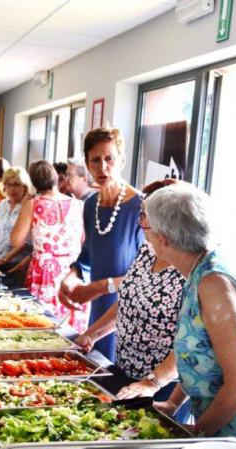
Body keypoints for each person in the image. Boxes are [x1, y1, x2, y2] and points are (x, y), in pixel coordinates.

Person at [142, 181, 236, 438]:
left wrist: (197, 432)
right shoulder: (199, 269)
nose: (146, 235)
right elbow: (197, 353)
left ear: (163, 239)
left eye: (149, 228)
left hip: (234, 436)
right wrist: (173, 403)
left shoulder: (213, 283)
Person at [74, 179, 186, 405]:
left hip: (162, 387)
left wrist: (152, 382)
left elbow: (191, 343)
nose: (140, 222)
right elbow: (128, 301)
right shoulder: (148, 250)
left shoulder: (186, 265)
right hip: (125, 373)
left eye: (145, 216)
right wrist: (91, 335)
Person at [58, 127, 144, 360]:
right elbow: (87, 255)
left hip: (129, 315)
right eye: (95, 160)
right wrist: (72, 276)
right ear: (87, 164)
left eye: (109, 159)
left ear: (122, 160)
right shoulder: (89, 205)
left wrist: (99, 287)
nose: (102, 167)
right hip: (97, 310)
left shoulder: (141, 208)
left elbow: (148, 278)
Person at [10, 160, 87, 330]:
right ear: (55, 178)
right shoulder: (79, 205)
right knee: (69, 330)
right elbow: (83, 240)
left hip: (43, 272)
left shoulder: (33, 205)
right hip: (71, 273)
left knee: (39, 328)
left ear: (33, 182)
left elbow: (15, 240)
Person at [0, 167, 32, 267]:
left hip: (17, 263)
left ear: (24, 187)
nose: (12, 189)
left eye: (17, 185)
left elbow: (26, 241)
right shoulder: (2, 205)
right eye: (8, 185)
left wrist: (5, 260)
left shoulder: (28, 206)